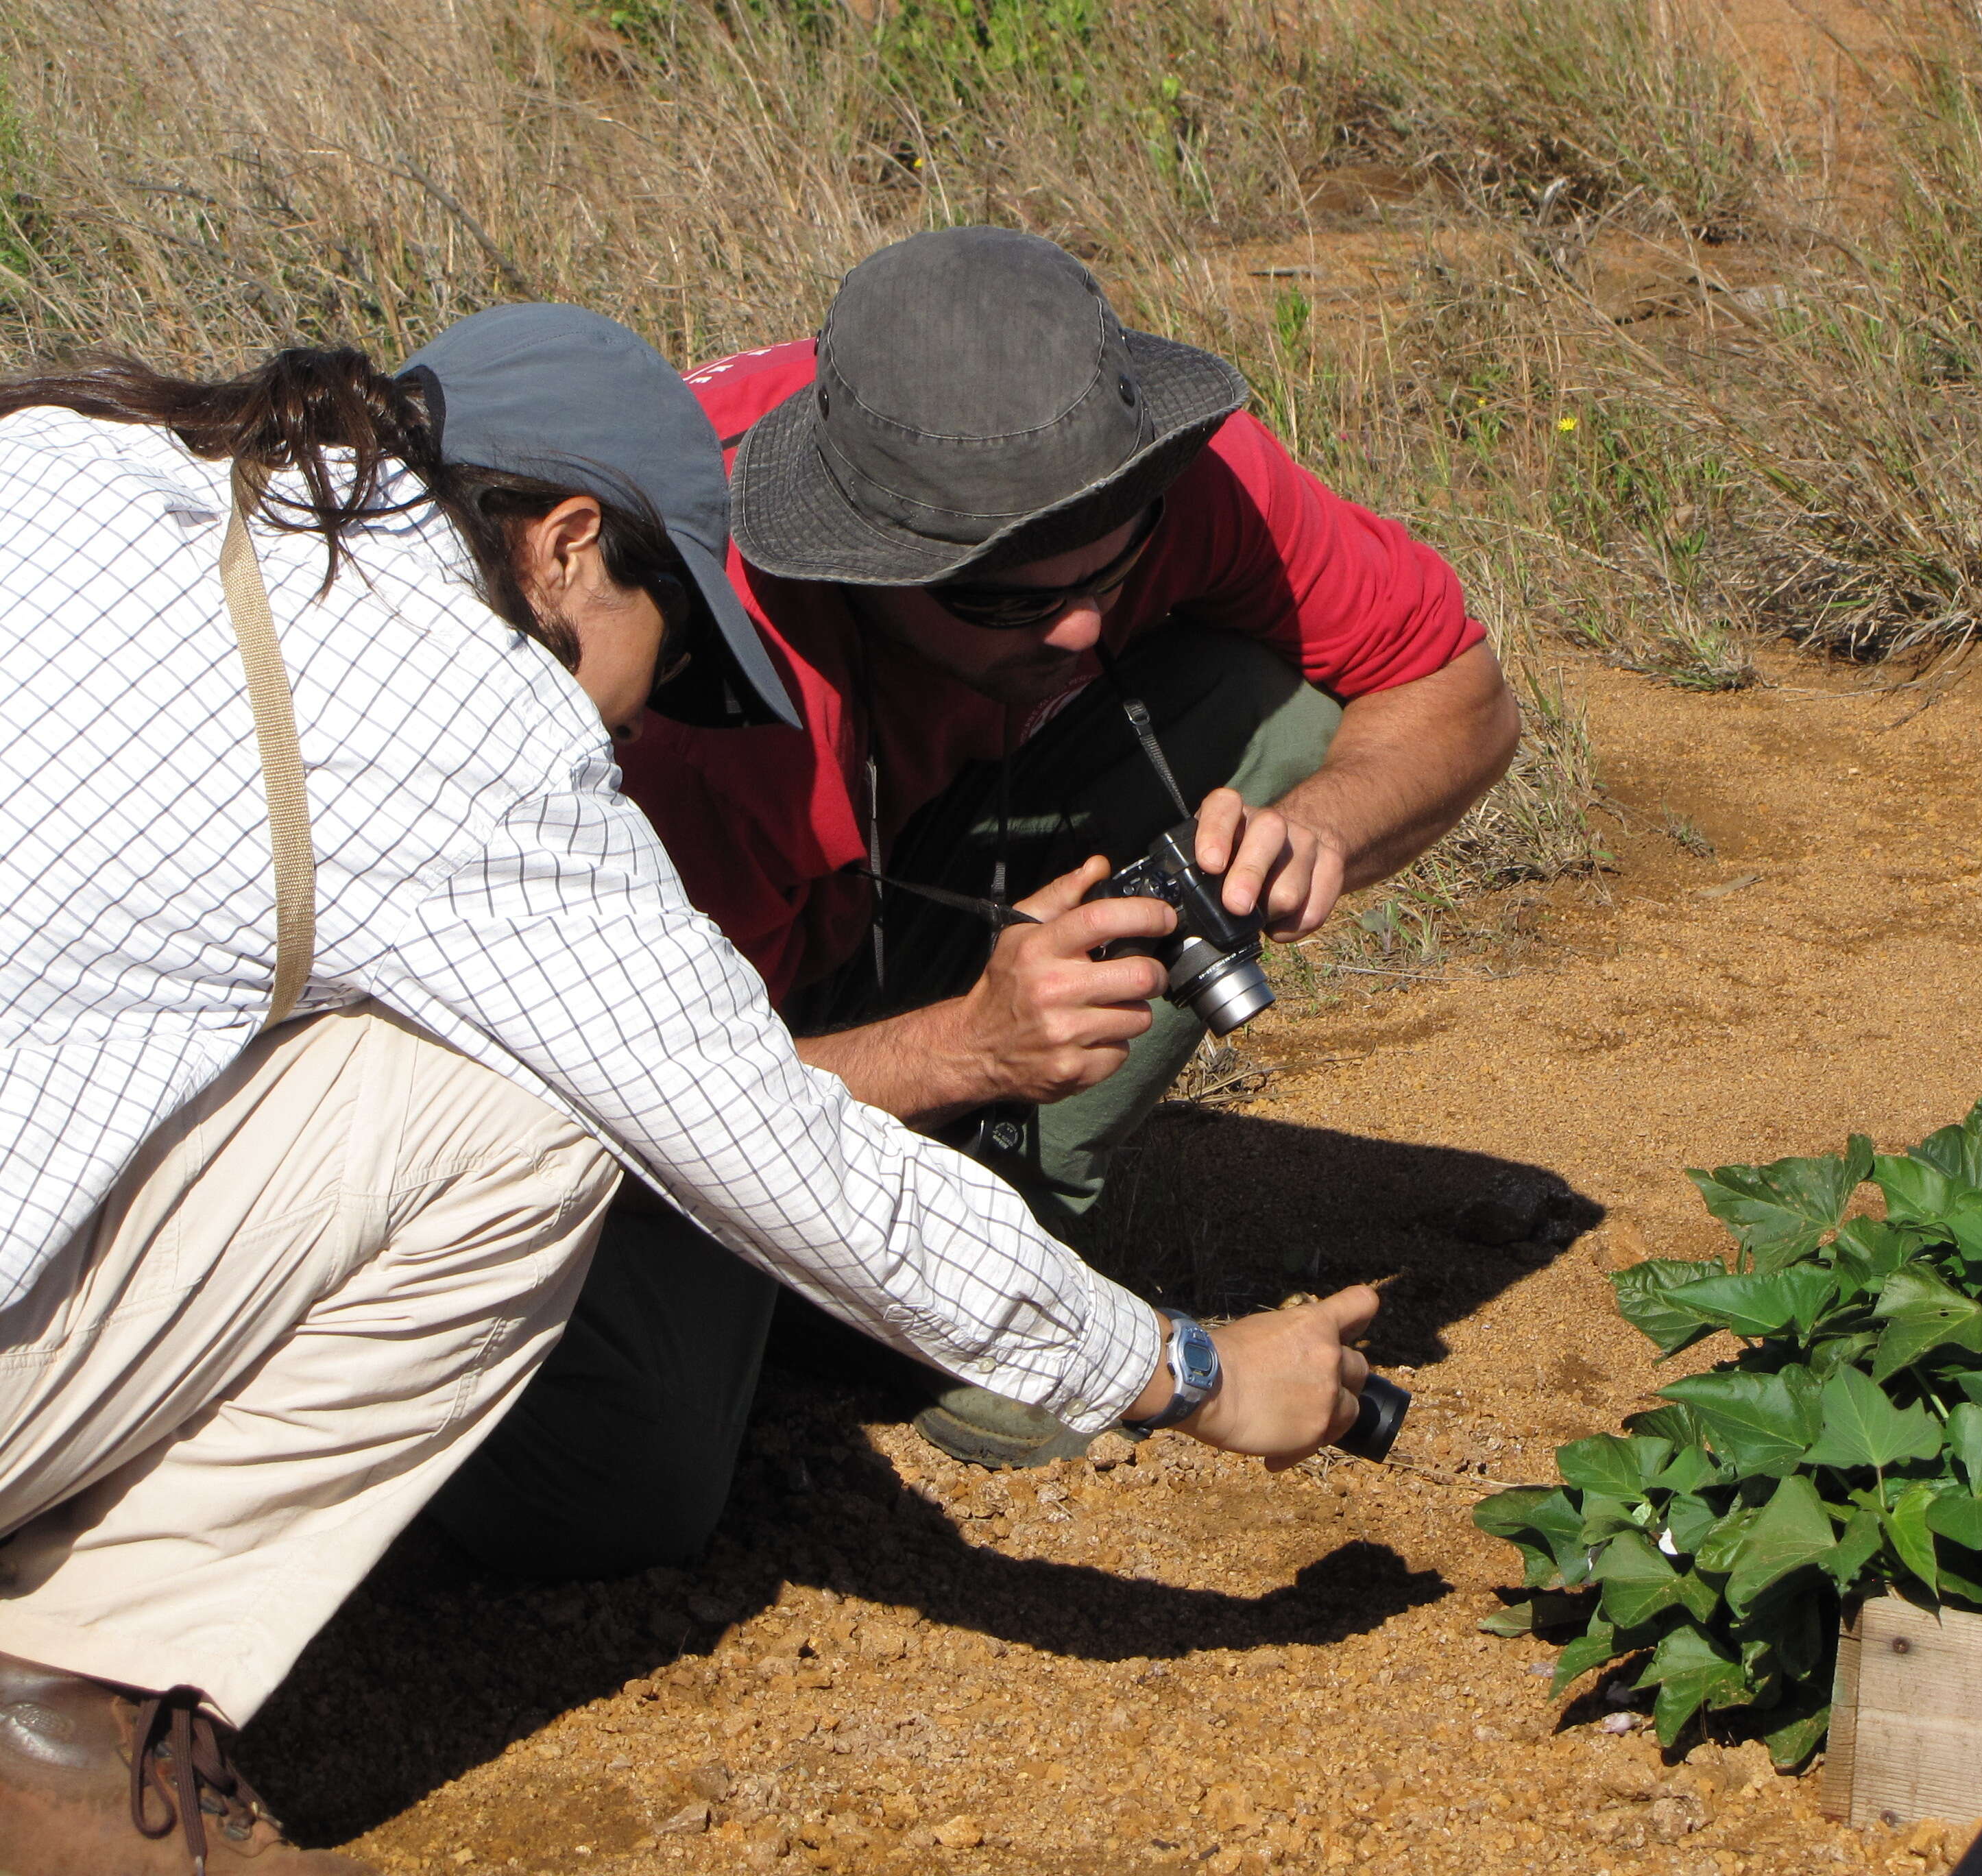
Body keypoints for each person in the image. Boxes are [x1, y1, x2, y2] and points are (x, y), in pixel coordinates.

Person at [0, 305, 1375, 1876]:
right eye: (675, 654)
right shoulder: (469, 722)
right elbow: (774, 1151)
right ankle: (69, 1701)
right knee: (523, 1121)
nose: (648, 722)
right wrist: (1183, 1369)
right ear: (570, 546)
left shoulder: (79, 463)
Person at [431, 226, 1516, 1550]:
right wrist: (965, 1050)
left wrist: (1318, 830)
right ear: (861, 556)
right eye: (1005, 601)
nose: (1077, 629)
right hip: (630, 1036)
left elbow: (1457, 688)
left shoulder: (1163, 472)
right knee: (632, 1488)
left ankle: (986, 1250)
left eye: (1110, 569)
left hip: (866, 890)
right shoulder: (687, 688)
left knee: (1266, 709)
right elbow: (635, 1099)